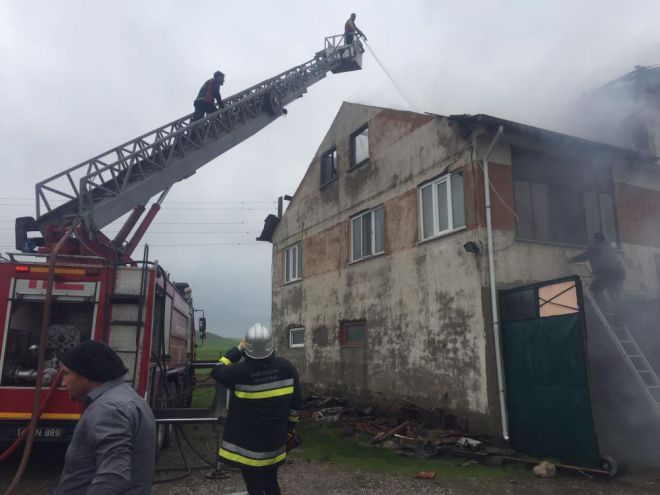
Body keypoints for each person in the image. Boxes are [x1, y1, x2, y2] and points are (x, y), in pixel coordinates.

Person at [54, 340, 156, 495]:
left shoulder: (108, 410)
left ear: (85, 373)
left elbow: (113, 477)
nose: (63, 383)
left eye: (66, 374)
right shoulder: (128, 397)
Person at [211, 323, 302, 495]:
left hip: (247, 447)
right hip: (274, 442)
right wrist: (289, 427)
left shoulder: (239, 372)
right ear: (271, 345)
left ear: (247, 348)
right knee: (271, 481)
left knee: (254, 487)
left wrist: (238, 349)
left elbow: (217, 371)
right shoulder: (287, 368)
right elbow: (296, 405)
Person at [568, 232, 626, 308]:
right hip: (620, 273)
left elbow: (585, 256)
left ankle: (602, 307)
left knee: (594, 289)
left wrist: (572, 260)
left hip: (608, 272)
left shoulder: (597, 247)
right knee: (614, 295)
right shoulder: (609, 247)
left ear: (596, 239)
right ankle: (616, 312)